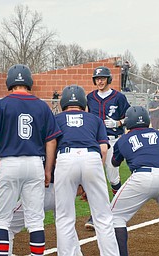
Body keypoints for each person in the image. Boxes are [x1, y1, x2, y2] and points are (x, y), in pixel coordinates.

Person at [0, 64, 62, 255]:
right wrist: (48, 170)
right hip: (35, 163)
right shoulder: (42, 105)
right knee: (35, 220)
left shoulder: (1, 104)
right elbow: (51, 141)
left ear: (10, 82)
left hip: (9, 163)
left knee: (1, 220)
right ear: (29, 82)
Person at [53, 85, 119, 256]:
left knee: (65, 218)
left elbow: (50, 146)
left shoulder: (56, 119)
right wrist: (93, 178)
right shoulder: (94, 119)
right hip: (92, 158)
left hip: (65, 158)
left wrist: (49, 170)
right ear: (83, 103)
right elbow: (103, 149)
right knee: (103, 218)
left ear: (63, 103)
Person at [111, 106, 159, 256]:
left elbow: (114, 162)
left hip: (143, 176)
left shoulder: (123, 139)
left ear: (128, 122)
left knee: (115, 217)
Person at [86, 66, 130, 230]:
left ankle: (118, 210)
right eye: (97, 78)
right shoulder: (90, 97)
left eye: (103, 78)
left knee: (112, 177)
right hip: (95, 141)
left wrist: (119, 123)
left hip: (113, 140)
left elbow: (130, 116)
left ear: (108, 79)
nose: (100, 81)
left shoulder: (119, 97)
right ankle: (95, 214)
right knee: (95, 179)